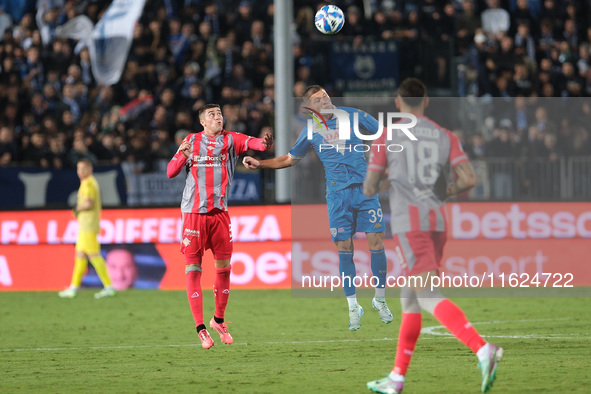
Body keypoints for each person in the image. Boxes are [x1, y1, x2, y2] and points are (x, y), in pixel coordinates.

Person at [363, 78, 503, 394]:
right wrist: (444, 189)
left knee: (425, 295)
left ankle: (483, 349)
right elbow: (468, 179)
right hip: (437, 223)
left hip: (410, 226)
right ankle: (396, 379)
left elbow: (370, 186)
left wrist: (386, 181)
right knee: (410, 299)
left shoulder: (388, 136)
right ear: (426, 102)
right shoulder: (444, 136)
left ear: (398, 104)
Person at [243, 85, 392, 331]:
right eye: (318, 99)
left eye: (326, 96)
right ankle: (354, 307)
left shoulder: (354, 115)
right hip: (337, 196)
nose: (325, 100)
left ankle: (380, 299)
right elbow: (290, 159)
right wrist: (260, 163)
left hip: (366, 190)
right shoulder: (311, 130)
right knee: (345, 249)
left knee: (377, 242)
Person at [167, 103, 273, 349]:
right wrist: (182, 154)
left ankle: (218, 320)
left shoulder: (230, 140)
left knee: (224, 269)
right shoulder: (191, 141)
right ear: (202, 121)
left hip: (220, 215)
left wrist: (265, 144)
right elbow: (171, 172)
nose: (218, 118)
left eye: (220, 114)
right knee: (193, 269)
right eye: (212, 115)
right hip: (193, 214)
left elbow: (255, 143)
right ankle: (201, 328)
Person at [58, 158, 116, 299]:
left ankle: (109, 287)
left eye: (84, 168)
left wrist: (77, 208)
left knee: (93, 255)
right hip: (84, 225)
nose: (81, 171)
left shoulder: (89, 183)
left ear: (90, 169)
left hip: (88, 225)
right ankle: (73, 288)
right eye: (79, 168)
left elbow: (89, 203)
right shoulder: (86, 182)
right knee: (80, 256)